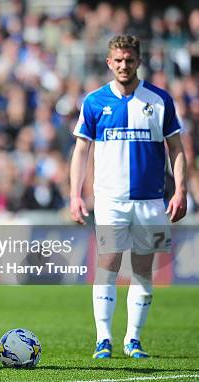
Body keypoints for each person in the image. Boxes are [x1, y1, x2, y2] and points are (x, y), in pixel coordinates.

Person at [69, 35, 187, 359]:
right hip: (110, 200)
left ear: (138, 61)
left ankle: (133, 339)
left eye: (129, 60)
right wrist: (74, 194)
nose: (124, 65)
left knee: (143, 270)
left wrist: (181, 189)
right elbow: (81, 150)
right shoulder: (94, 101)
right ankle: (103, 339)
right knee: (107, 266)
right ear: (109, 62)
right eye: (118, 60)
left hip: (151, 201)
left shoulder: (160, 100)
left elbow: (176, 148)